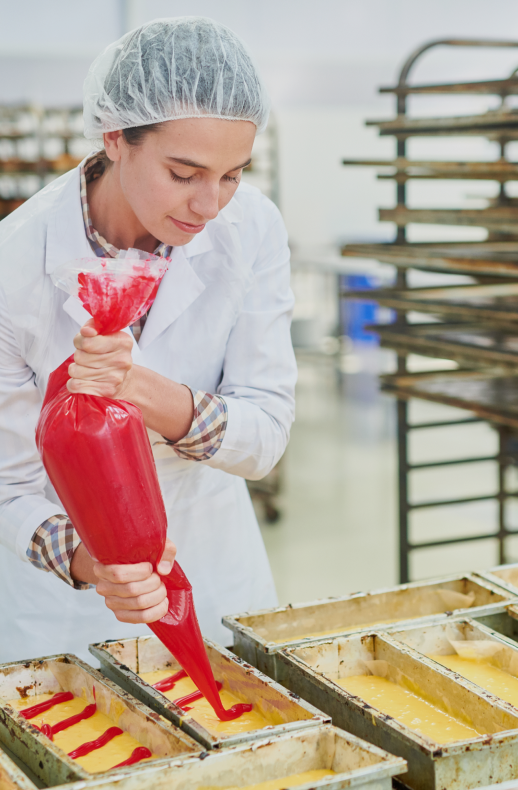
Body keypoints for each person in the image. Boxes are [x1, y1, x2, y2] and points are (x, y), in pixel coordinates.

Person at [0, 17, 295, 662]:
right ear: (116, 137)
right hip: (64, 601)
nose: (210, 204)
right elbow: (7, 485)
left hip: (212, 562)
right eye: (184, 173)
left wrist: (139, 389)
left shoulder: (251, 229)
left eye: (232, 175)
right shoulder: (14, 264)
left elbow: (267, 432)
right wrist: (90, 561)